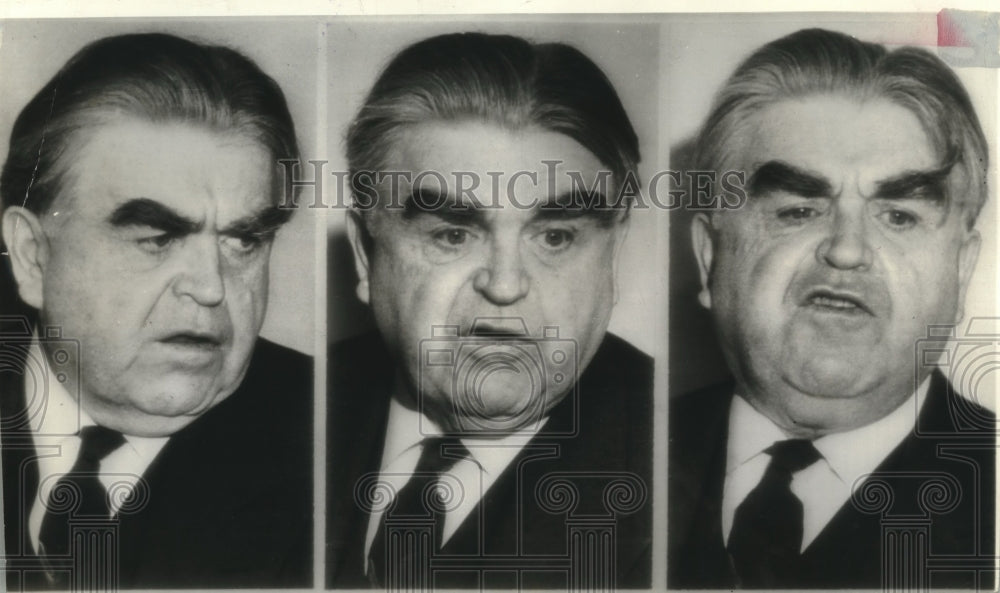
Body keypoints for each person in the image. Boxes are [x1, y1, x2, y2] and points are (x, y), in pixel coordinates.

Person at [669, 28, 996, 589]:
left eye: (898, 216)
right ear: (709, 257)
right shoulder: (617, 460)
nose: (846, 250)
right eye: (798, 209)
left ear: (961, 270)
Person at [327, 32, 653, 589]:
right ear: (365, 252)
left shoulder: (677, 472)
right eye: (452, 234)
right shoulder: (292, 415)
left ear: (612, 253)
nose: (505, 286)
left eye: (555, 237)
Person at [0, 33, 312, 589]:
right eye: (158, 237)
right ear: (32, 256)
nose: (211, 288)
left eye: (243, 241)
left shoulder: (333, 456)